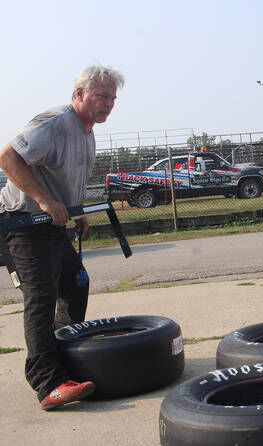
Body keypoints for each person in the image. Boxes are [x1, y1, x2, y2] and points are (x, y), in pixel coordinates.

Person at [0, 65, 124, 410]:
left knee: (76, 281)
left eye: (112, 98)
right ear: (79, 94)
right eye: (102, 95)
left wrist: (78, 210)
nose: (108, 104)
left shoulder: (87, 131)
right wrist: (43, 200)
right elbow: (7, 158)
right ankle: (47, 383)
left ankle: (63, 356)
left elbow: (68, 178)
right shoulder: (55, 122)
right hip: (22, 221)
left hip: (52, 225)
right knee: (41, 297)